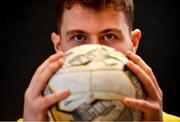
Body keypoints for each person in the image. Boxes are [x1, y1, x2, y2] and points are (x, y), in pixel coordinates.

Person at [20, 0, 180, 121]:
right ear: (58, 45)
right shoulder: (31, 119)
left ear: (134, 43)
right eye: (79, 37)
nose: (94, 51)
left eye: (109, 36)